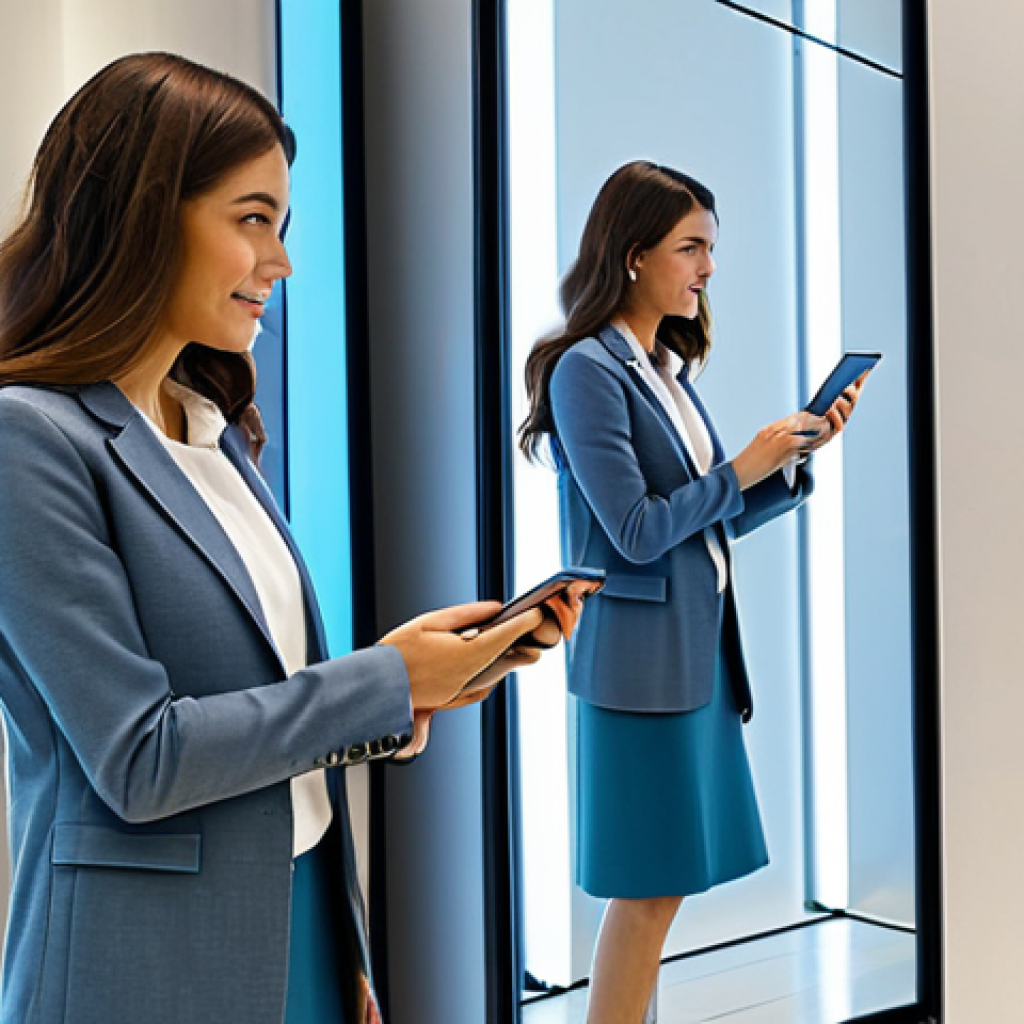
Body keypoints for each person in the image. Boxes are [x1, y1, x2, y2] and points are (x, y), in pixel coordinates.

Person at [0, 53, 580, 1024]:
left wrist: (420, 683)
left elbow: (258, 706)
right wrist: (385, 678)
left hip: (293, 930)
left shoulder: (208, 426)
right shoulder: (30, 438)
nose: (281, 262)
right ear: (145, 213)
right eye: (252, 219)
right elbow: (140, 759)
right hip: (143, 973)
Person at [519, 161, 866, 1024]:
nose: (707, 268)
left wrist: (785, 466)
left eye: (711, 248)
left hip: (693, 663)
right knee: (645, 892)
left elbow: (697, 524)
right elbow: (634, 530)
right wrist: (742, 464)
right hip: (639, 674)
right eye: (692, 248)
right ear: (633, 254)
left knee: (661, 893)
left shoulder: (664, 370)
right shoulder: (585, 372)